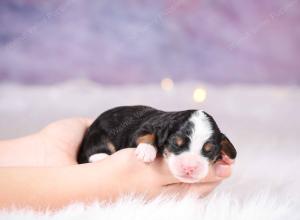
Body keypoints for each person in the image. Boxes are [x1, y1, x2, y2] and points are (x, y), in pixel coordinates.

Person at [0, 118, 234, 211]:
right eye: (178, 145)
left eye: (208, 152)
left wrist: (44, 147)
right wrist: (92, 183)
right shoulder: (155, 130)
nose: (192, 164)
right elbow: (148, 133)